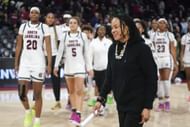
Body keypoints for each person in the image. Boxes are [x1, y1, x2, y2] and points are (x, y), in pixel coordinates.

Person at [94, 15, 157, 127]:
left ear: (126, 28)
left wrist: (147, 106)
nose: (112, 30)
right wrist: (101, 98)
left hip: (137, 104)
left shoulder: (142, 49)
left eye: (116, 27)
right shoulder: (112, 48)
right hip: (121, 103)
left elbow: (151, 78)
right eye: (112, 27)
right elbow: (109, 76)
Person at [15, 7, 51, 127]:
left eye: (36, 13)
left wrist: (49, 64)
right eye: (32, 12)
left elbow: (48, 48)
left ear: (39, 15)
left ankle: (37, 120)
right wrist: (16, 63)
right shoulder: (23, 27)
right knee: (21, 92)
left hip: (38, 63)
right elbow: (19, 46)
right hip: (25, 63)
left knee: (37, 94)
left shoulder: (44, 27)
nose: (34, 14)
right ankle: (27, 111)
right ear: (29, 15)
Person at [54, 16, 93, 125]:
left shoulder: (83, 36)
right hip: (68, 67)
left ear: (78, 24)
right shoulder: (64, 36)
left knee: (79, 91)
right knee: (71, 91)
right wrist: (56, 65)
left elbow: (86, 53)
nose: (72, 24)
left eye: (74, 23)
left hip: (79, 67)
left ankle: (79, 113)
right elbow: (60, 52)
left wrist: (89, 68)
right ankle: (75, 111)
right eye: (70, 23)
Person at [153, 18, 178, 112]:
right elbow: (153, 49)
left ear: (166, 25)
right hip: (157, 59)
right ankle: (160, 102)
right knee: (158, 81)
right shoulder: (153, 35)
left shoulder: (169, 35)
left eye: (163, 23)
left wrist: (175, 63)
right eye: (160, 23)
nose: (161, 24)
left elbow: (172, 49)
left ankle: (167, 101)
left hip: (166, 58)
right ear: (157, 24)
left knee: (166, 80)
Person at [44, 12, 62, 110]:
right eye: (48, 17)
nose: (50, 19)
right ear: (45, 18)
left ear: (54, 19)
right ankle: (36, 101)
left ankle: (57, 101)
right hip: (43, 56)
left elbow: (60, 44)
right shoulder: (41, 27)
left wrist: (59, 59)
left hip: (55, 55)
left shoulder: (58, 29)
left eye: (52, 17)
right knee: (39, 80)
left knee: (56, 80)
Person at [180, 21, 190, 101]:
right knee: (188, 78)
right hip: (187, 60)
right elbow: (182, 50)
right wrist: (181, 61)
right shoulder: (184, 37)